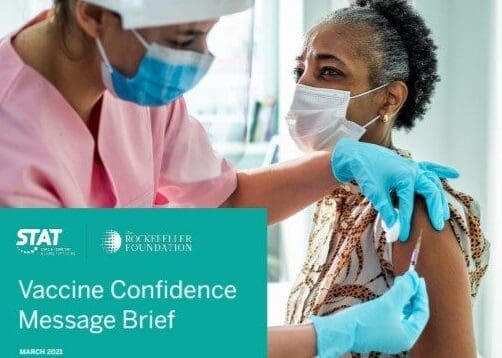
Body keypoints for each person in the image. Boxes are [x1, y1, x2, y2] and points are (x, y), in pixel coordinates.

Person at [0, 0, 451, 355]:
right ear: (95, 13)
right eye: (185, 37)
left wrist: (340, 162)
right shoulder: (12, 149)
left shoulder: (127, 81)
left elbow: (224, 201)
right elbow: (99, 332)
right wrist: (330, 336)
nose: (199, 58)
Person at [285, 1, 490, 357]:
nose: (303, 87)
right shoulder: (335, 197)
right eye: (299, 71)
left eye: (329, 71)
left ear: (389, 99)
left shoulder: (413, 206)